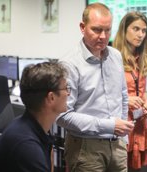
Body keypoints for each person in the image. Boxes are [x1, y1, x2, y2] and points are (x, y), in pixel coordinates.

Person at [57, 3, 134, 172]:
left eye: (107, 30)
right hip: (85, 148)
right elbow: (63, 115)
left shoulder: (115, 56)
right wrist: (109, 126)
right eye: (97, 30)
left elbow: (122, 96)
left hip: (117, 145)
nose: (103, 36)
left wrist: (123, 138)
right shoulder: (69, 64)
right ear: (82, 27)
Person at [0, 62, 69, 172]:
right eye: (66, 88)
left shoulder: (30, 127)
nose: (68, 93)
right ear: (51, 97)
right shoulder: (27, 147)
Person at [113, 11, 147, 171]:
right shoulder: (111, 56)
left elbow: (141, 89)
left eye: (144, 31)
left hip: (138, 124)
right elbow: (103, 94)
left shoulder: (141, 57)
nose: (140, 34)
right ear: (124, 30)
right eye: (136, 29)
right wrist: (126, 100)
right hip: (121, 123)